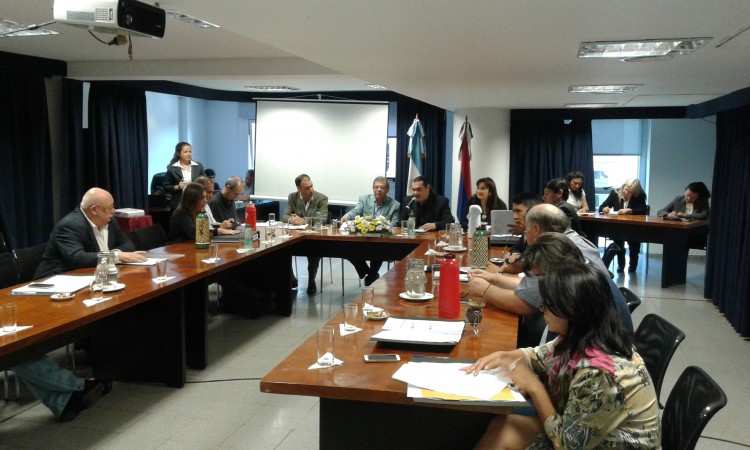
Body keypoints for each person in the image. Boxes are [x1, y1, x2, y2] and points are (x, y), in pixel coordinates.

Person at [463, 263, 660, 449]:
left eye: (548, 305)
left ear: (572, 310)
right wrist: (506, 356)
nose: (543, 310)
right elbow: (539, 355)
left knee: (505, 433)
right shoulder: (583, 336)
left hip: (608, 444)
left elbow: (566, 444)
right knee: (504, 426)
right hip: (584, 430)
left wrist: (534, 387)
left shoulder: (600, 373)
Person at [469, 206, 631, 347]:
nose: (543, 306)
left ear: (536, 229)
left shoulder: (558, 259)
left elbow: (525, 303)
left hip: (601, 345)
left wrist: (485, 289)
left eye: (526, 230)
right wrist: (495, 278)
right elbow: (535, 287)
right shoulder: (565, 247)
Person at [35, 188, 146, 279]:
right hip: (55, 281)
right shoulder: (70, 225)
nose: (113, 211)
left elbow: (128, 244)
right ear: (94, 210)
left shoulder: (110, 220)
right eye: (109, 208)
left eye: (113, 206)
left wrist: (114, 254)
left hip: (93, 276)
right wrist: (115, 256)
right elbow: (78, 258)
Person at [342, 176, 400, 285]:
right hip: (364, 239)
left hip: (382, 241)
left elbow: (394, 224)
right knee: (346, 248)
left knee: (378, 250)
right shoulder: (364, 199)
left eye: (382, 187)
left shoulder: (395, 205)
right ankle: (369, 273)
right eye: (376, 187)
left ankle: (371, 275)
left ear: (387, 189)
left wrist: (383, 228)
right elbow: (356, 211)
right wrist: (347, 216)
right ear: (373, 188)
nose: (379, 190)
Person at [282, 174, 328, 294]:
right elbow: (285, 215)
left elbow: (323, 218)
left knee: (314, 250)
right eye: (307, 188)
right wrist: (292, 220)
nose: (311, 190)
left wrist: (304, 220)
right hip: (296, 235)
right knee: (282, 249)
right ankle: (291, 278)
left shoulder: (321, 198)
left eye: (311, 186)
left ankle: (311, 281)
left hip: (313, 237)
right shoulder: (292, 197)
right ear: (299, 189)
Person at [599, 178, 648, 272]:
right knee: (618, 244)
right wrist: (604, 208)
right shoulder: (615, 193)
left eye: (630, 192)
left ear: (635, 192)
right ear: (623, 186)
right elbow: (602, 206)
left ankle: (632, 267)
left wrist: (630, 210)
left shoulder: (640, 195)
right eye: (626, 189)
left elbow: (643, 210)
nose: (626, 192)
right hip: (619, 226)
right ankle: (621, 265)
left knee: (634, 246)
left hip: (634, 227)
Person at [499, 192, 542, 274]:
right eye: (514, 211)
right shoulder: (527, 230)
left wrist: (498, 269)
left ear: (532, 211)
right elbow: (516, 248)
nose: (514, 217)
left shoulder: (542, 235)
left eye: (518, 211)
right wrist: (513, 254)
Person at [163, 142, 205, 210]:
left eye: (190, 152)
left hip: (196, 201)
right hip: (178, 203)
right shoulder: (172, 168)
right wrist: (178, 187)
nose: (189, 154)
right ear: (178, 154)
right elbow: (165, 186)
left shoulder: (198, 166)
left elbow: (204, 182)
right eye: (185, 152)